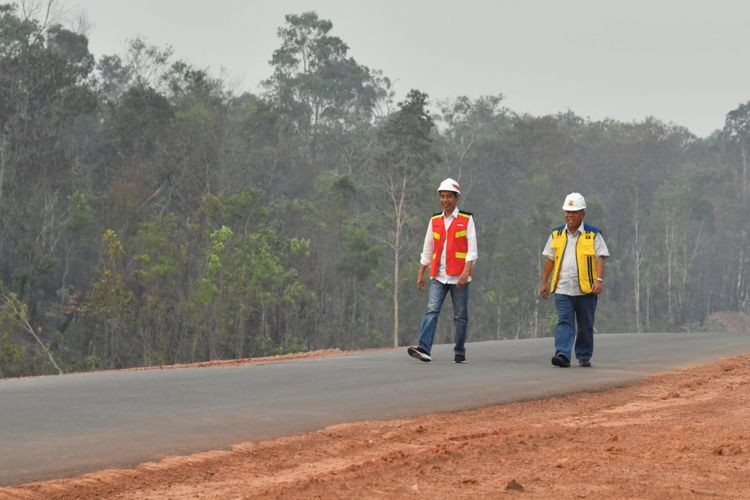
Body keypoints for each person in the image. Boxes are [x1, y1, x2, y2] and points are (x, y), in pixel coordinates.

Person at [407, 178, 478, 363]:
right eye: (442, 196)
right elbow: (428, 247)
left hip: (459, 276)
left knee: (460, 316)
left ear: (457, 199)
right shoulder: (434, 220)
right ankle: (424, 348)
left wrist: (466, 271)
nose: (445, 200)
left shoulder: (466, 219)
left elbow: (472, 249)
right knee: (431, 310)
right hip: (438, 274)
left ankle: (460, 350)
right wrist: (421, 272)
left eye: (448, 197)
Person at [539, 192, 609, 368]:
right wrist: (544, 283)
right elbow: (550, 259)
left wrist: (599, 280)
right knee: (564, 321)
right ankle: (562, 354)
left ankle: (584, 355)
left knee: (586, 324)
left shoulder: (592, 234)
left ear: (582, 214)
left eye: (574, 212)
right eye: (567, 212)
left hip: (586, 288)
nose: (570, 215)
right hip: (562, 287)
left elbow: (601, 256)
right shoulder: (556, 234)